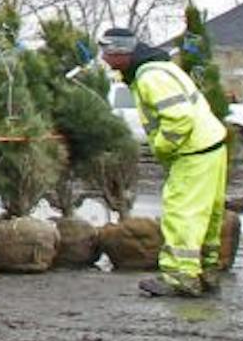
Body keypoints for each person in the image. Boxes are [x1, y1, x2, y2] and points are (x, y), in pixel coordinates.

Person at [97, 26, 230, 297]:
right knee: (208, 214)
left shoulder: (150, 78)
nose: (104, 59)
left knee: (182, 213)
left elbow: (179, 118)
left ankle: (181, 275)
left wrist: (162, 147)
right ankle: (206, 269)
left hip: (192, 152)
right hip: (210, 146)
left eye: (107, 53)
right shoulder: (160, 68)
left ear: (123, 53)